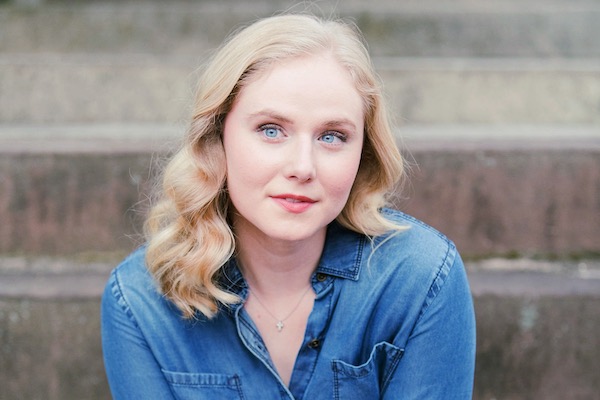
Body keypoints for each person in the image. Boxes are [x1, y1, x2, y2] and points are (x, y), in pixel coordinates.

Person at [101, 13, 476, 399]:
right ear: (217, 136)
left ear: (363, 152)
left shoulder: (420, 277)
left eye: (332, 136)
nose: (302, 167)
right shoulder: (139, 300)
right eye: (271, 130)